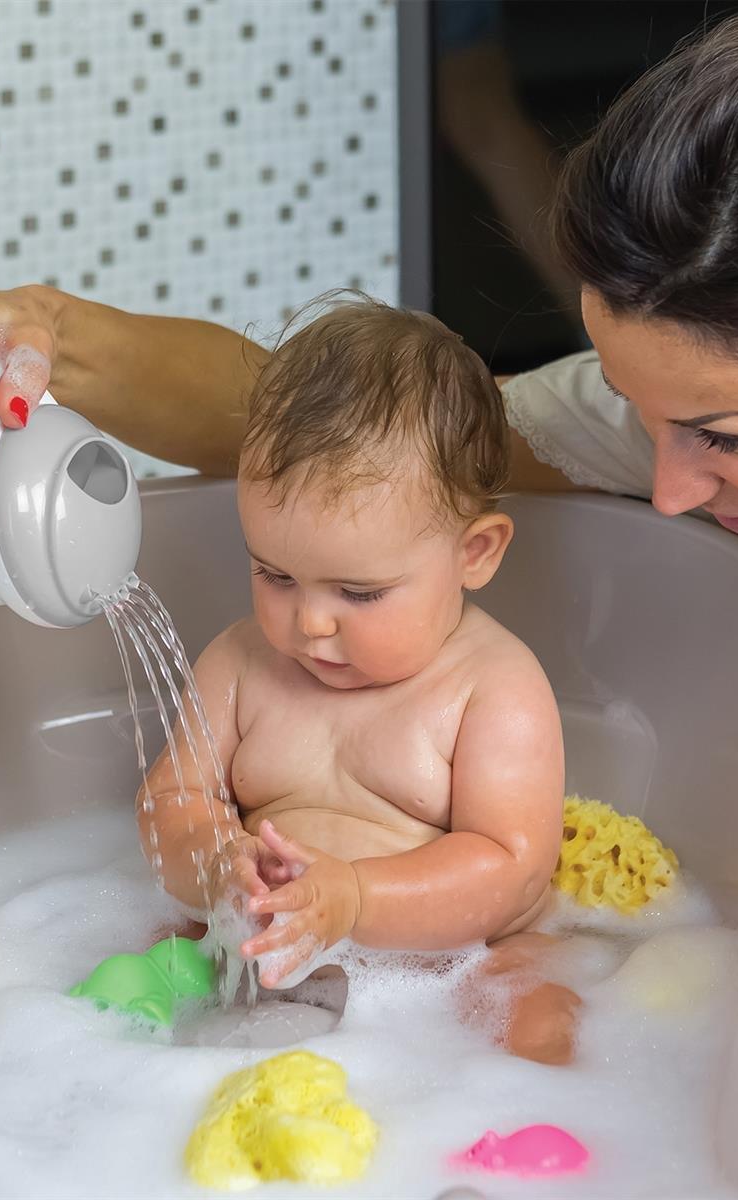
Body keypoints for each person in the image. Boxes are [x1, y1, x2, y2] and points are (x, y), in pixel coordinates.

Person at [0, 12, 738, 596]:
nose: (668, 493)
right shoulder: (678, 426)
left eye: (727, 438)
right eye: (634, 408)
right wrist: (48, 338)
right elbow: (352, 434)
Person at [134, 295, 572, 1060]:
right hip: (256, 950)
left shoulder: (493, 688)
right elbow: (169, 799)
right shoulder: (238, 664)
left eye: (359, 593)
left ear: (475, 554)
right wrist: (215, 862)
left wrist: (356, 899)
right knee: (138, 979)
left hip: (448, 963)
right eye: (274, 574)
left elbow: (511, 871)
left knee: (529, 1008)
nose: (310, 624)